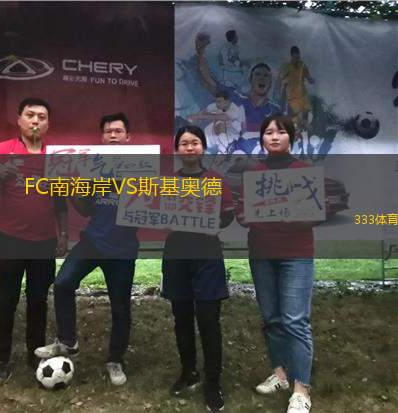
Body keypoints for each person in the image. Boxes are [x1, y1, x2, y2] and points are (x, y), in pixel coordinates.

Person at [35, 113, 138, 386]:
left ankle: (115, 360)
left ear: (129, 137)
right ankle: (67, 341)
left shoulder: (143, 166)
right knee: (63, 283)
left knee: (121, 309)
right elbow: (86, 208)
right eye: (108, 131)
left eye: (118, 131)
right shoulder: (94, 166)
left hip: (123, 248)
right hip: (93, 241)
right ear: (101, 137)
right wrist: (72, 190)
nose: (113, 135)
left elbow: (152, 206)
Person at [0, 97, 68, 384]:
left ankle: (35, 356)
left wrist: (63, 233)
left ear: (48, 124)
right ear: (19, 119)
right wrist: (0, 174)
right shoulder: (3, 149)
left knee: (38, 300)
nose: (35, 121)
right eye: (30, 115)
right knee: (6, 300)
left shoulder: (56, 156)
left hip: (44, 241)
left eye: (41, 117)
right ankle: (0, 360)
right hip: (11, 239)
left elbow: (60, 200)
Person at [237, 114, 317, 413]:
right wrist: (247, 215)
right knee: (271, 318)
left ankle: (301, 389)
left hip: (296, 255)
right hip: (262, 254)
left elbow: (314, 213)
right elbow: (243, 213)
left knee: (295, 320)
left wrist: (284, 215)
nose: (274, 136)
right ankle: (280, 374)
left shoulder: (303, 171)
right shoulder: (254, 173)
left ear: (290, 138)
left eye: (280, 132)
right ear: (262, 139)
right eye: (268, 132)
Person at [162, 125, 234, 412]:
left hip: (207, 255)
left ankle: (212, 381)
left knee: (208, 318)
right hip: (176, 254)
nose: (189, 147)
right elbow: (157, 212)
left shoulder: (215, 179)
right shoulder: (168, 181)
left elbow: (227, 215)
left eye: (195, 143)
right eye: (184, 143)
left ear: (203, 147)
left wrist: (215, 223)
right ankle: (188, 371)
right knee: (181, 318)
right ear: (177, 150)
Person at [196, 32, 280, 154]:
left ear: (270, 82)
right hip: (234, 159)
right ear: (250, 79)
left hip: (263, 162)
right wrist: (201, 53)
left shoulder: (275, 110)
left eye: (266, 76)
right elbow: (208, 79)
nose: (262, 78)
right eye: (258, 74)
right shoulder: (236, 97)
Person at [277, 46, 315, 132]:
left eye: (298, 55)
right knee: (292, 112)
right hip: (291, 94)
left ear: (299, 55)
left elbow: (308, 76)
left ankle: (305, 122)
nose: (297, 58)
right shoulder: (287, 66)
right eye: (295, 56)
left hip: (302, 92)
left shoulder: (302, 65)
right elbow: (282, 78)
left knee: (306, 107)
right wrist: (281, 91)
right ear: (292, 56)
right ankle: (293, 127)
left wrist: (311, 80)